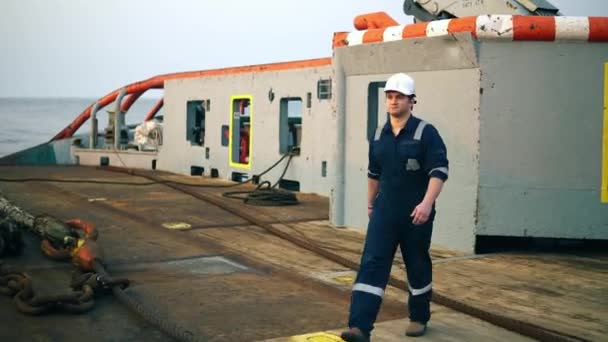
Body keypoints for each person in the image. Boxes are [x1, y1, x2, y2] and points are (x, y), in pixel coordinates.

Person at [341, 73, 449, 341]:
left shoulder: (426, 133)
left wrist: (426, 204)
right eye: (389, 96)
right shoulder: (379, 135)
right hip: (384, 212)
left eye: (399, 97)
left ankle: (419, 316)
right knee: (372, 263)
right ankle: (359, 327)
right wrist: (369, 202)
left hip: (416, 214)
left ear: (412, 101)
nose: (393, 101)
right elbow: (373, 173)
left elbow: (439, 171)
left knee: (417, 264)